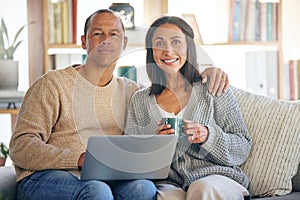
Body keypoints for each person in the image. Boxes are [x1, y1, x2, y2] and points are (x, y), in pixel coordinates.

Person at [10, 9, 229, 200]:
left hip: (105, 179)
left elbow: (172, 81)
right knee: (97, 191)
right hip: (47, 178)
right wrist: (78, 159)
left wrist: (207, 72)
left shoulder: (131, 91)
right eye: (97, 34)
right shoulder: (52, 85)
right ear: (84, 42)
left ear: (124, 43)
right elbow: (20, 146)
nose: (106, 40)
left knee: (142, 188)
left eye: (114, 34)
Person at [124, 16, 252, 200]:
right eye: (160, 43)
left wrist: (207, 136)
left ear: (188, 47)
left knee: (201, 189)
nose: (168, 51)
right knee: (164, 197)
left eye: (176, 42)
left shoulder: (213, 88)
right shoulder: (140, 100)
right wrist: (154, 144)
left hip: (217, 179)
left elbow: (242, 147)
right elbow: (129, 155)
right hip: (171, 183)